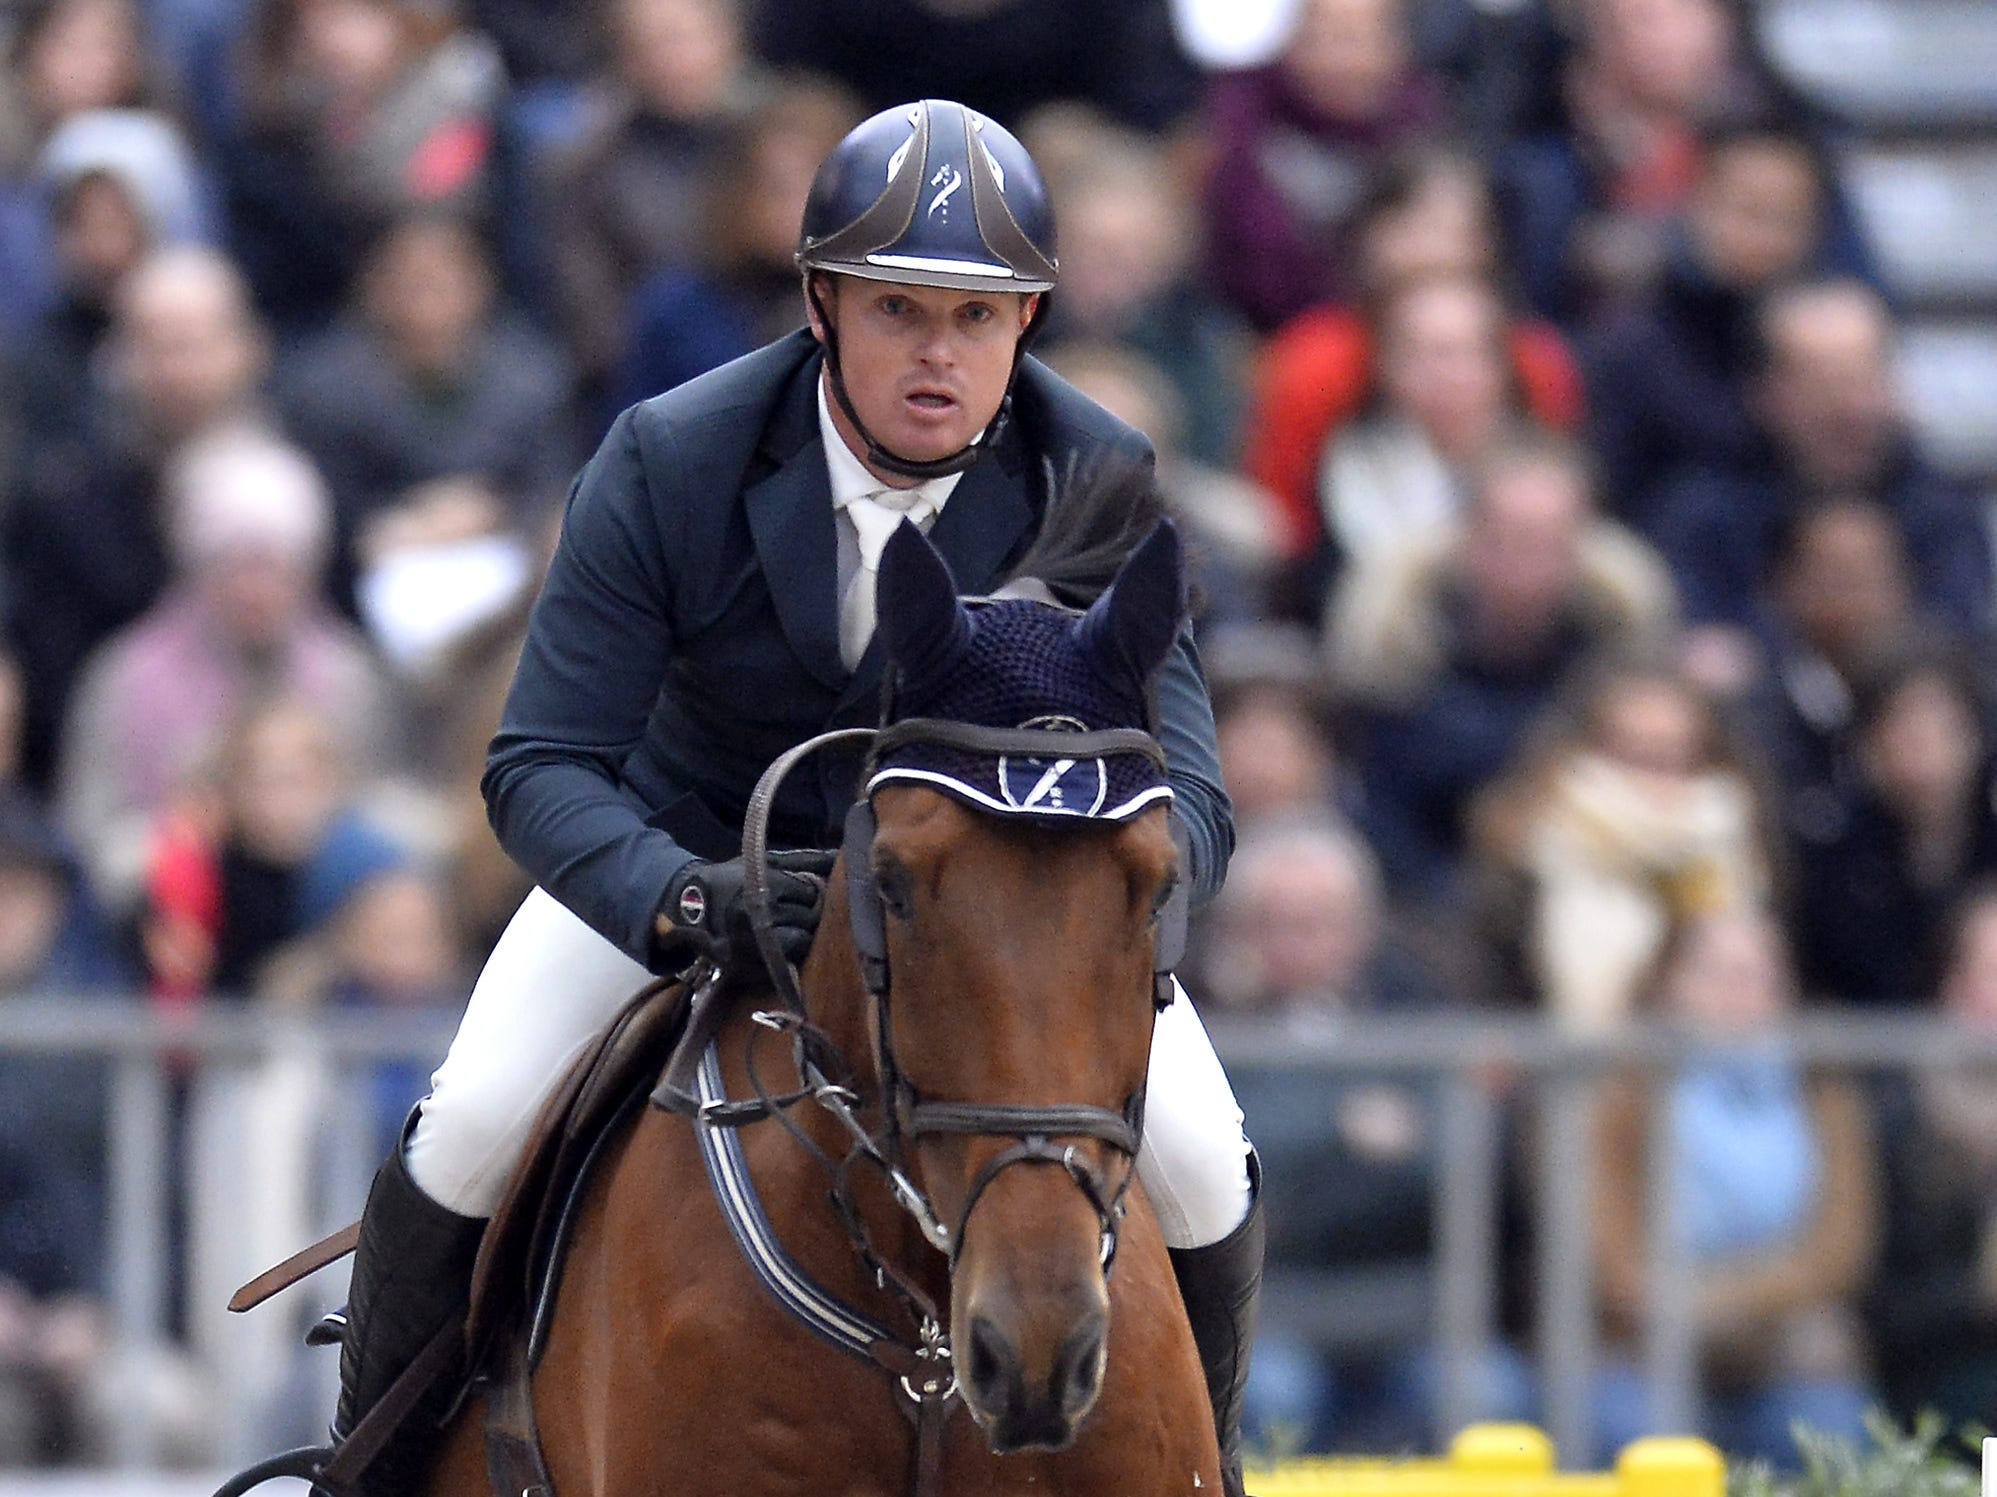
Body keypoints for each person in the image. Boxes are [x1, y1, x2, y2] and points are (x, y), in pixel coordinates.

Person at [323, 98, 1259, 1497]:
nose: (937, 356)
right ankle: (364, 1472)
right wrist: (689, 898)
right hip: (694, 864)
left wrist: (1105, 895)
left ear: (1028, 323)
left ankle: (1210, 1467)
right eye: (897, 311)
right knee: (469, 1121)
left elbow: (1189, 789)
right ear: (821, 302)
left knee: (1204, 1165)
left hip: (1002, 916)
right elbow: (538, 767)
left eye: (977, 318)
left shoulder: (1093, 472)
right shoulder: (670, 456)